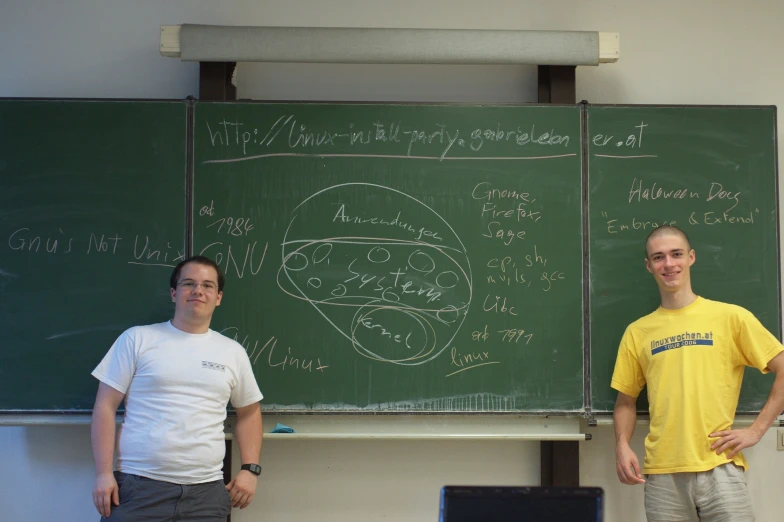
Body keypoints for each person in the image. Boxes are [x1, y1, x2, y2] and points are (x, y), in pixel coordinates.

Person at [611, 225, 784, 522]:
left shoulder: (731, 318)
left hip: (721, 466)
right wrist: (622, 445)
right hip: (662, 474)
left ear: (691, 257)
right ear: (649, 265)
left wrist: (757, 430)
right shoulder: (637, 332)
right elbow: (626, 401)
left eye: (676, 254)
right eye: (659, 257)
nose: (669, 264)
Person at [90, 255, 263, 521]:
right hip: (138, 488)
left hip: (207, 494)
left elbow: (249, 412)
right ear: (174, 293)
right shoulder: (137, 339)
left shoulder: (232, 352)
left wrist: (250, 470)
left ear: (218, 297)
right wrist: (103, 473)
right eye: (188, 284)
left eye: (207, 285)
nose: (198, 291)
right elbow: (105, 406)